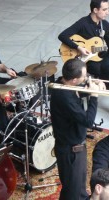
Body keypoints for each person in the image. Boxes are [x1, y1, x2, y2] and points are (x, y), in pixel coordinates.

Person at [50, 58, 106, 200]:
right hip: (71, 151)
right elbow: (88, 121)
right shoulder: (64, 97)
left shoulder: (63, 83)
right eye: (84, 76)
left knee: (76, 187)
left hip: (73, 146)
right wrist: (94, 96)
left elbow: (78, 93)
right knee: (73, 192)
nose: (86, 77)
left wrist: (92, 86)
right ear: (74, 80)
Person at [58, 0, 109, 78]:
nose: (107, 13)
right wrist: (79, 48)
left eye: (108, 9)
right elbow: (62, 36)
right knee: (105, 70)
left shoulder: (104, 24)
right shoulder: (83, 23)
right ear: (95, 10)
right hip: (85, 60)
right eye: (104, 10)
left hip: (98, 55)